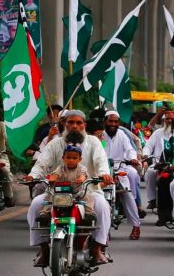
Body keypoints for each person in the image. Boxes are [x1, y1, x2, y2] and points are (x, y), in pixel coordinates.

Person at [24, 110, 112, 266]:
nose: (75, 126)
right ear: (64, 124)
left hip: (87, 190)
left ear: (84, 125)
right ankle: (44, 251)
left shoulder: (93, 142)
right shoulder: (55, 143)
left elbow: (101, 161)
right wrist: (32, 176)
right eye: (71, 122)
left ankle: (97, 249)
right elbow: (42, 163)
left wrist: (104, 174)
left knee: (103, 207)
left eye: (79, 123)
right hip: (57, 193)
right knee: (35, 205)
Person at [100, 111, 142, 240]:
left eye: (115, 122)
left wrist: (132, 158)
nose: (113, 124)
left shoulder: (122, 135)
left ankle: (136, 226)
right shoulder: (99, 136)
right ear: (105, 122)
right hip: (102, 170)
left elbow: (130, 150)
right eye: (110, 121)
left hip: (120, 168)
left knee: (127, 191)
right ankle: (102, 230)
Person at [39, 133, 94, 221]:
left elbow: (84, 175)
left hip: (77, 192)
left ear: (79, 159)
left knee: (87, 196)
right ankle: (44, 213)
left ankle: (90, 213)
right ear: (63, 158)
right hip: (60, 192)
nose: (71, 160)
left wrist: (81, 179)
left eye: (74, 158)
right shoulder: (61, 168)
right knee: (49, 194)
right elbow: (56, 174)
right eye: (68, 157)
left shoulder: (81, 168)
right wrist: (53, 178)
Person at [142, 111, 174, 211]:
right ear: (164, 120)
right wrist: (146, 155)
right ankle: (152, 199)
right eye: (167, 119)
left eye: (172, 119)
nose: (170, 121)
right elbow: (148, 146)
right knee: (149, 172)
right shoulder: (158, 133)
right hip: (158, 163)